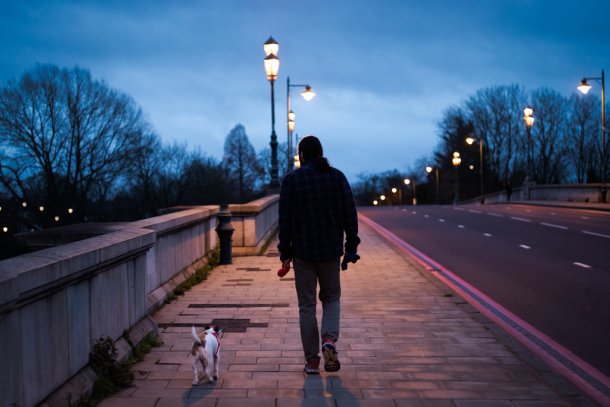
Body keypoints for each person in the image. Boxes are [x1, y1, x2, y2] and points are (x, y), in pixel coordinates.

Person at [277, 135, 360, 374]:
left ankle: (312, 360)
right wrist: (351, 247)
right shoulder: (337, 177)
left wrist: (285, 252)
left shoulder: (292, 180)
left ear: (302, 155)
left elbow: (285, 221)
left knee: (307, 305)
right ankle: (329, 341)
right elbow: (349, 215)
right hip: (330, 251)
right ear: (320, 153)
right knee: (331, 298)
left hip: (303, 253)